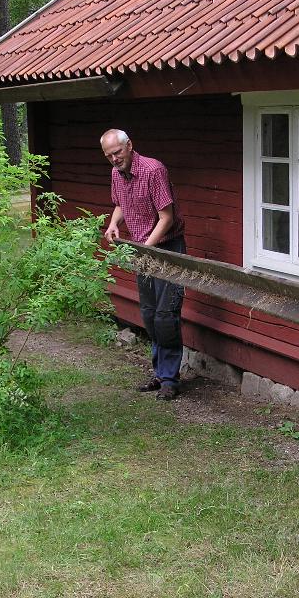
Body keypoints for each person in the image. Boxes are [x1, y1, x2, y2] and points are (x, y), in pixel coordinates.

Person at [101, 128, 186, 400]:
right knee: (149, 314)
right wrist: (114, 223)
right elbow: (121, 204)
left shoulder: (153, 170)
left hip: (168, 250)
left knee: (165, 316)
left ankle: (170, 380)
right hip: (143, 251)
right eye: (109, 155)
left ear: (129, 146)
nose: (114, 159)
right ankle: (160, 373)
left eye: (117, 152)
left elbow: (167, 218)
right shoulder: (117, 174)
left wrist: (147, 248)